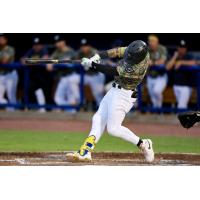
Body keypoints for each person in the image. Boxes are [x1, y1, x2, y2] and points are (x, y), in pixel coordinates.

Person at [66, 40, 154, 163]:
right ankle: (86, 151)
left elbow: (113, 71)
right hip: (115, 89)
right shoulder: (137, 51)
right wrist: (98, 56)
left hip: (125, 95)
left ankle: (143, 143)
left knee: (113, 129)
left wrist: (93, 65)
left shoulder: (136, 68)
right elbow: (116, 52)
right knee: (98, 118)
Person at [49, 35, 79, 112]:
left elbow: (79, 62)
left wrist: (68, 62)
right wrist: (49, 64)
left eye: (59, 42)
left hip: (72, 76)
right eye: (56, 42)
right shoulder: (56, 52)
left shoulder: (71, 51)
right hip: (63, 77)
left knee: (71, 98)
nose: (57, 44)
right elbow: (50, 63)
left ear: (63, 42)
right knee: (57, 98)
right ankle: (71, 111)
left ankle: (74, 109)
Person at [21, 37, 49, 112]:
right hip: (33, 76)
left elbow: (45, 59)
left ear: (41, 45)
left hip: (43, 76)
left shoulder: (44, 50)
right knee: (28, 90)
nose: (36, 46)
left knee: (42, 91)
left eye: (38, 44)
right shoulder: (31, 51)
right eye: (35, 44)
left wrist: (30, 62)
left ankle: (43, 109)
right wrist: (34, 62)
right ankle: (27, 107)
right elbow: (23, 60)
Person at [166, 40, 196, 109]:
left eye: (183, 48)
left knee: (181, 107)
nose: (182, 49)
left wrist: (181, 62)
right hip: (176, 86)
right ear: (178, 48)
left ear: (186, 49)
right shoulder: (175, 57)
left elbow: (194, 62)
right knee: (182, 107)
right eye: (180, 47)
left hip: (186, 87)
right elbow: (168, 67)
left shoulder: (189, 55)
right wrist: (174, 57)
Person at [76, 39, 105, 107]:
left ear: (89, 46)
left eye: (85, 46)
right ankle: (80, 103)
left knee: (97, 94)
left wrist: (89, 65)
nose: (83, 48)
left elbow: (98, 65)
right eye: (82, 46)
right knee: (71, 80)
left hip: (96, 75)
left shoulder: (94, 52)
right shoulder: (80, 53)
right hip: (86, 76)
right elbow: (74, 61)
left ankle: (102, 109)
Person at [147, 34, 168, 109]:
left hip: (160, 76)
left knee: (157, 91)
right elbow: (145, 61)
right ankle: (156, 111)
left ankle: (159, 109)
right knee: (152, 96)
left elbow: (162, 61)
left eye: (153, 41)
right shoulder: (147, 50)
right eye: (150, 42)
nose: (151, 43)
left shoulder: (162, 48)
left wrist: (153, 63)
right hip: (150, 76)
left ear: (157, 42)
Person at [0, 33, 18, 110]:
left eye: (2, 38)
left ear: (6, 40)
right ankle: (9, 108)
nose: (1, 40)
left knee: (11, 96)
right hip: (1, 74)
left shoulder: (10, 48)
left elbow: (5, 60)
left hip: (10, 74)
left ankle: (14, 116)